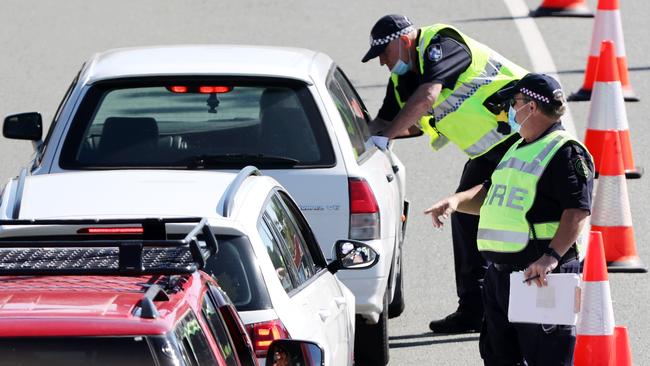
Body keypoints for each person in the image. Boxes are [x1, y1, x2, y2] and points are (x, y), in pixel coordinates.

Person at [362, 14, 528, 333]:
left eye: (384, 54)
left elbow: (427, 97)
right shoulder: (403, 79)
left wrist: (385, 137)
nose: (383, 63)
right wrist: (352, 138)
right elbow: (388, 122)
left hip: (523, 137)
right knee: (465, 215)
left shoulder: (441, 44)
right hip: (486, 152)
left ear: (403, 41)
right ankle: (473, 310)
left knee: (519, 218)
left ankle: (531, 305)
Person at [424, 73, 594, 365]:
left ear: (532, 108)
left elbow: (577, 211)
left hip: (540, 275)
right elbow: (491, 191)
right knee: (498, 357)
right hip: (501, 276)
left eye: (514, 104)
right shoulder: (517, 147)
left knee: (546, 358)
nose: (510, 112)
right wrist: (456, 201)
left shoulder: (565, 152)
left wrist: (550, 258)